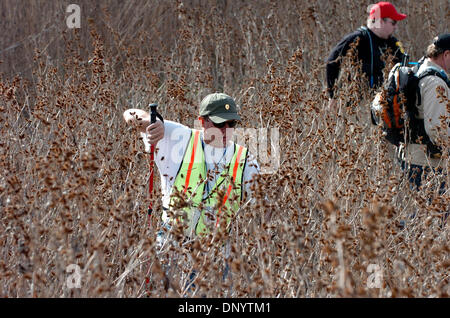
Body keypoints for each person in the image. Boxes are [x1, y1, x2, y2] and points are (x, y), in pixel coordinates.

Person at [123, 93, 260, 240]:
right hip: (172, 246)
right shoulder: (180, 138)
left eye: (232, 123)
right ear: (202, 121)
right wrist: (153, 122)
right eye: (220, 123)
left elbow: (260, 211)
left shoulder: (245, 159)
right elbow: (130, 114)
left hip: (217, 251)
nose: (226, 129)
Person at [400, 33, 449, 228]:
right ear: (446, 55)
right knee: (432, 218)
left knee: (428, 216)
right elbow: (438, 130)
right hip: (427, 161)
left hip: (415, 156)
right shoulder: (435, 82)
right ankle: (387, 238)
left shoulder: (420, 70)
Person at [326, 1, 407, 113]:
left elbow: (404, 67)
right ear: (380, 21)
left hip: (384, 105)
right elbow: (332, 61)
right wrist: (333, 96)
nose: (396, 27)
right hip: (356, 106)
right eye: (393, 22)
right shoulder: (358, 38)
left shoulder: (393, 43)